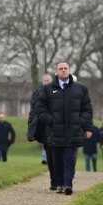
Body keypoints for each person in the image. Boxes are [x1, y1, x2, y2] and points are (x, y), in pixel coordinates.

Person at [36, 62, 93, 195]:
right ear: (56, 72)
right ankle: (60, 183)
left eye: (65, 68)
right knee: (57, 160)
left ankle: (68, 185)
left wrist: (83, 124)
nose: (63, 70)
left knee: (70, 159)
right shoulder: (48, 89)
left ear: (69, 71)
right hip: (55, 132)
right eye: (60, 69)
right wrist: (50, 120)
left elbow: (87, 109)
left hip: (73, 131)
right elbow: (40, 108)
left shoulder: (81, 89)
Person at [28, 73, 57, 190]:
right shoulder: (37, 93)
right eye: (44, 80)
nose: (46, 82)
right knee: (49, 155)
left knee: (56, 154)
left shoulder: (57, 91)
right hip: (43, 128)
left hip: (55, 127)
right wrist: (31, 127)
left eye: (48, 80)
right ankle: (53, 181)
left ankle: (59, 179)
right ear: (42, 81)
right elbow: (33, 110)